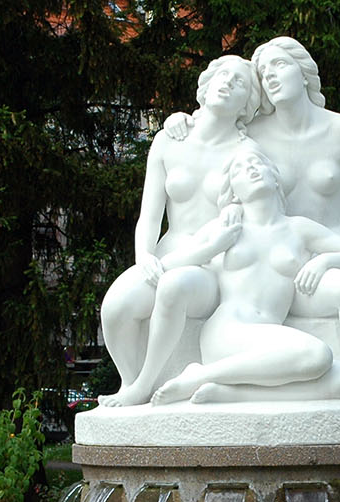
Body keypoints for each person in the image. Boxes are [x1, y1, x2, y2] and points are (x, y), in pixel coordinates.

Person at [166, 37, 340, 395]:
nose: (270, 76)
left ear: (305, 72)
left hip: (333, 251)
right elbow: (214, 125)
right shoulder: (254, 134)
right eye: (263, 72)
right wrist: (180, 120)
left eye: (279, 65)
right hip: (279, 264)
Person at [149, 147, 340, 405]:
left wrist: (325, 260)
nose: (251, 169)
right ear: (233, 191)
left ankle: (231, 393)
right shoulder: (227, 227)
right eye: (240, 170)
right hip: (228, 332)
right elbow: (167, 265)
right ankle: (198, 376)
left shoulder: (298, 228)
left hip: (270, 339)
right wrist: (211, 249)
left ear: (275, 177)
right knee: (318, 355)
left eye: (256, 163)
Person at [98, 55, 261, 407]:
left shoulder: (246, 152)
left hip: (212, 266)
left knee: (175, 286)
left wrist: (178, 260)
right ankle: (131, 382)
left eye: (240, 83)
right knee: (116, 307)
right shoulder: (169, 140)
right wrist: (143, 256)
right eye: (222, 74)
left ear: (247, 105)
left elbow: (230, 233)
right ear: (205, 85)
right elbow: (149, 216)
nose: (228, 82)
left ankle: (144, 385)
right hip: (166, 254)